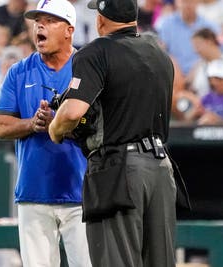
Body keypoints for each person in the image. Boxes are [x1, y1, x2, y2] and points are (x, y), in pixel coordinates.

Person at [48, 0, 190, 266]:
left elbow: (72, 112)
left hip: (119, 171)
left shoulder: (96, 52)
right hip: (161, 168)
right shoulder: (158, 52)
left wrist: (54, 128)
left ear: (101, 19)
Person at [0, 0, 91, 266]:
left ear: (69, 30)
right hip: (34, 192)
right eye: (38, 21)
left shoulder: (87, 67)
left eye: (50, 20)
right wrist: (32, 124)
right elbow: (0, 126)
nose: (40, 26)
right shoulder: (19, 71)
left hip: (82, 192)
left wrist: (57, 124)